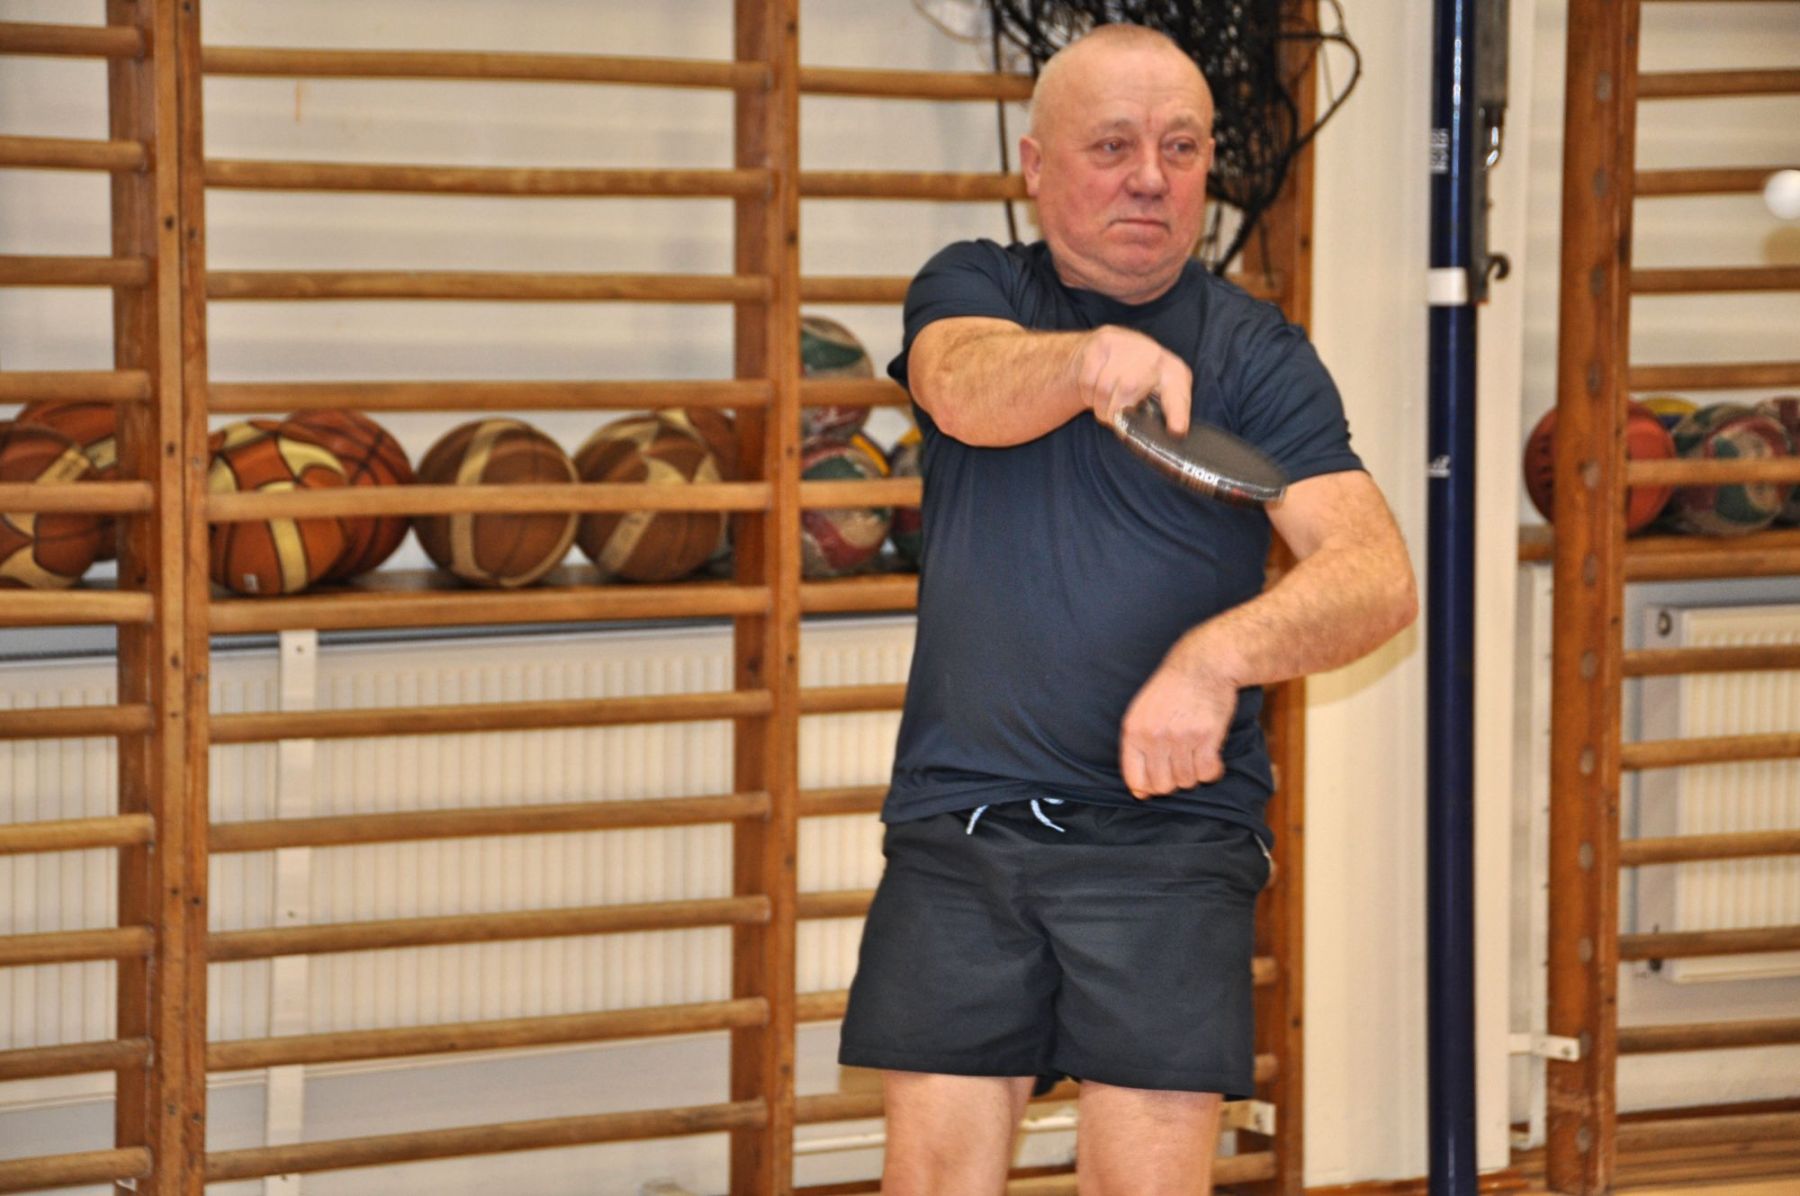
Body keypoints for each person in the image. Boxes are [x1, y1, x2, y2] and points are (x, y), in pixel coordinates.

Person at [836, 22, 1418, 1196]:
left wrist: (1216, 658)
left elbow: (1376, 575)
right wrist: (1082, 361)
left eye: (1181, 147)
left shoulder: (1258, 354)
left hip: (1171, 837)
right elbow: (958, 384)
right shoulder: (975, 284)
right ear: (1034, 164)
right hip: (964, 817)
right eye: (1112, 146)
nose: (1151, 176)